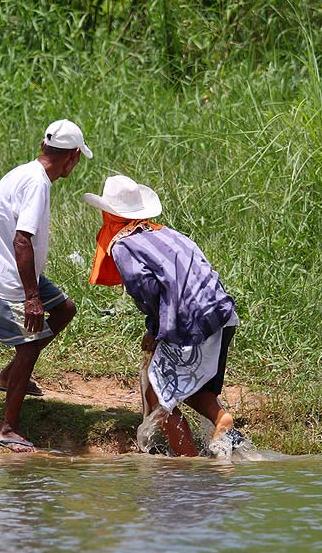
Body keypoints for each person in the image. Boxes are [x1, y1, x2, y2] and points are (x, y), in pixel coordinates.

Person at [83, 174, 242, 457]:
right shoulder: (166, 233)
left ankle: (188, 461)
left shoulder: (123, 245)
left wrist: (154, 329)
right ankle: (215, 438)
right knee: (186, 382)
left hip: (189, 319)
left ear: (107, 212)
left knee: (159, 393)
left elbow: (147, 287)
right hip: (220, 311)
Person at [0, 119, 92, 452]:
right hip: (4, 276)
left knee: (65, 309)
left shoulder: (27, 172)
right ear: (74, 158)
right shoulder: (37, 184)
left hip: (14, 269)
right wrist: (32, 297)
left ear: (44, 147)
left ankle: (8, 376)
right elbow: (22, 240)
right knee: (27, 347)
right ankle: (7, 428)